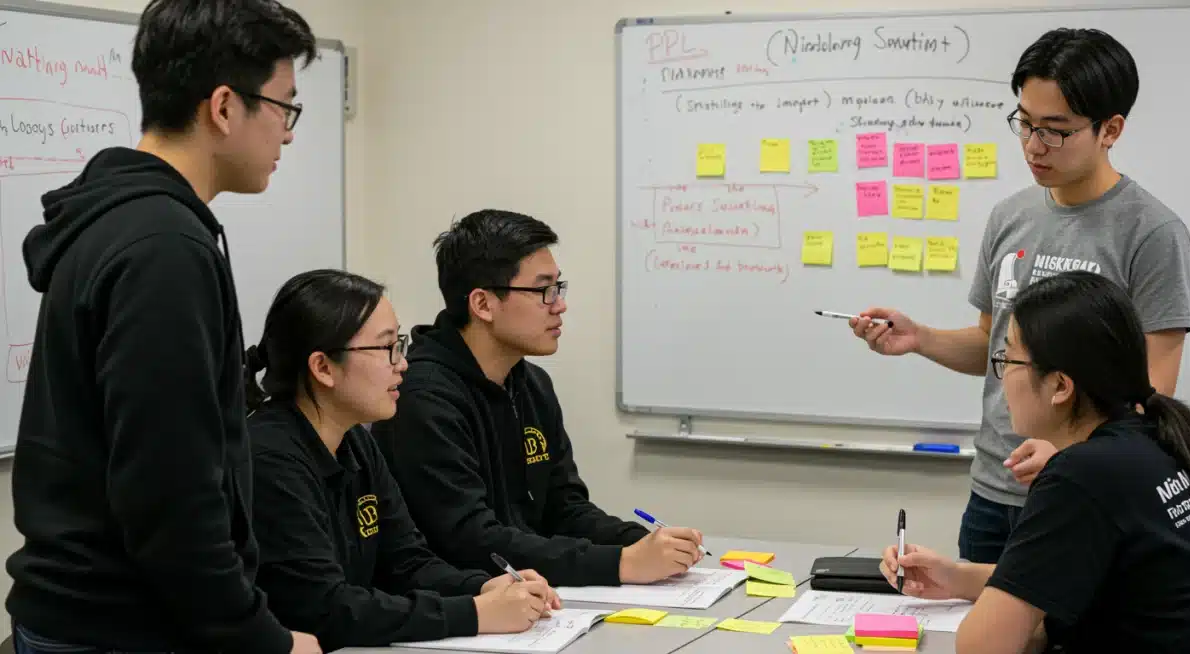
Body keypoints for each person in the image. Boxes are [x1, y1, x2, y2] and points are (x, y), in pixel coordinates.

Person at [5, 1, 322, 652]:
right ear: (226, 107)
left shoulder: (128, 224)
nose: (289, 133)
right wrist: (264, 639)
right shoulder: (163, 249)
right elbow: (171, 498)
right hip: (123, 628)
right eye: (285, 108)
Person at [848, 28, 1190, 563]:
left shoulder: (1151, 233)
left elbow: (1151, 392)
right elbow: (995, 346)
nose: (1033, 145)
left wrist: (1071, 455)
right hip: (992, 491)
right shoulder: (1011, 216)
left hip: (1086, 493)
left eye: (1055, 130)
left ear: (1111, 129)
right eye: (1025, 123)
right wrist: (920, 338)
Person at [370, 209, 705, 587]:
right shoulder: (421, 399)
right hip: (466, 602)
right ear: (482, 304)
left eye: (558, 288)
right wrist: (619, 563)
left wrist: (641, 542)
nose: (559, 304)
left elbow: (565, 508)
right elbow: (470, 540)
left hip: (535, 594)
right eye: (543, 290)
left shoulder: (532, 385)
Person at [880, 270, 1190, 653]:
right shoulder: (1155, 435)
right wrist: (956, 577)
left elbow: (982, 647)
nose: (1002, 378)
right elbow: (1066, 580)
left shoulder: (1082, 475)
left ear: (1061, 386)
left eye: (1010, 358)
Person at [245, 269, 562, 651]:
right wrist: (475, 613)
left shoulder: (355, 442)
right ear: (323, 367)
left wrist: (484, 586)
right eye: (386, 348)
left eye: (401, 343)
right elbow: (326, 609)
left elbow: (408, 563)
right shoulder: (270, 459)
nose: (403, 364)